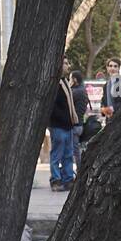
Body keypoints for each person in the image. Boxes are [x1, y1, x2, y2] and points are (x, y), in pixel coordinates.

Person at [48, 60, 77, 192]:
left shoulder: (65, 83)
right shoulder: (54, 84)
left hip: (68, 125)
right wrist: (63, 118)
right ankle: (56, 179)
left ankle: (68, 179)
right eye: (65, 63)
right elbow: (52, 107)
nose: (67, 66)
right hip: (58, 125)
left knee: (68, 154)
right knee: (57, 154)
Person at [69, 69, 89, 173]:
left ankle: (80, 169)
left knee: (74, 150)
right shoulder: (83, 90)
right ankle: (80, 168)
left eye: (70, 78)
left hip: (75, 124)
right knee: (76, 149)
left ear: (75, 80)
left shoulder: (75, 92)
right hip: (80, 124)